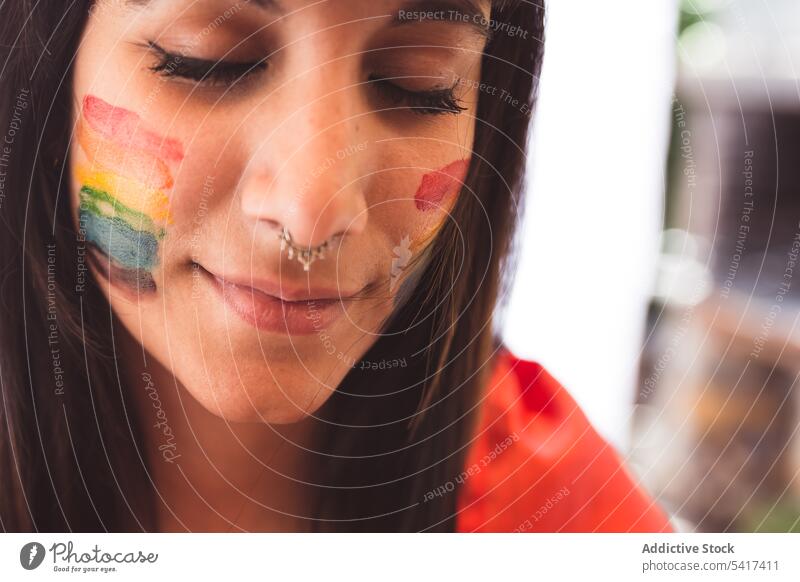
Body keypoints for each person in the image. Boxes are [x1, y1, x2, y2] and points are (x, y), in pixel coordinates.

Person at [0, 0, 672, 532]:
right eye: (206, 59)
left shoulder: (568, 523)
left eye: (419, 82)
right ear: (46, 72)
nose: (309, 214)